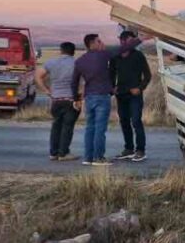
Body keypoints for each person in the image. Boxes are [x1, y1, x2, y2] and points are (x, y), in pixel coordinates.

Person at [72, 33, 115, 166]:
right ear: (92, 44)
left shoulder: (80, 61)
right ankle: (98, 158)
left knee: (90, 127)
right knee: (100, 128)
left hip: (89, 97)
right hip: (102, 96)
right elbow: (122, 49)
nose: (101, 43)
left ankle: (88, 157)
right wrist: (140, 39)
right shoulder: (102, 55)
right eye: (99, 41)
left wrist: (76, 99)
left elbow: (74, 82)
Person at [35, 41, 79, 161]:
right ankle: (63, 153)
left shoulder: (51, 62)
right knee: (67, 127)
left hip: (56, 99)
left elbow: (38, 76)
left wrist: (46, 90)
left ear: (61, 50)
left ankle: (53, 152)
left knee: (56, 125)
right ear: (73, 51)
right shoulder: (77, 63)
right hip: (71, 99)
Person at [112, 30, 151, 162]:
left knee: (136, 121)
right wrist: (112, 88)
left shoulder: (138, 55)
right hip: (121, 94)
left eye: (133, 41)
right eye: (130, 41)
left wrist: (140, 88)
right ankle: (128, 149)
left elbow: (147, 75)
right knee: (124, 121)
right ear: (122, 41)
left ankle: (140, 150)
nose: (132, 43)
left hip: (134, 95)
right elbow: (111, 73)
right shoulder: (116, 56)